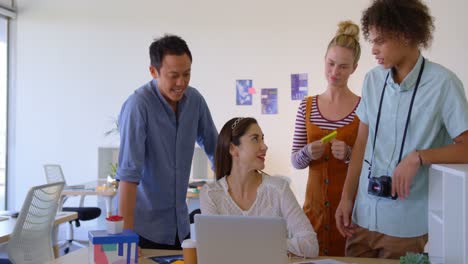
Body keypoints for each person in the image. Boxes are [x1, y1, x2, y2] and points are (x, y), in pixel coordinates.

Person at [335, 0, 468, 259]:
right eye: (371, 40)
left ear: (407, 34)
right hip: (361, 219)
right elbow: (362, 144)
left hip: (406, 226)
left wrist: (418, 157)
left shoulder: (444, 84)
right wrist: (346, 198)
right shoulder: (372, 80)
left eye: (380, 41)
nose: (372, 50)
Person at [116, 34, 218, 250]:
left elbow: (216, 150)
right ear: (153, 71)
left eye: (187, 74)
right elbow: (128, 176)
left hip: (180, 228)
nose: (181, 83)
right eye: (173, 76)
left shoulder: (195, 101)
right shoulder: (138, 106)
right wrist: (125, 241)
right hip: (143, 229)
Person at [200, 117, 319, 258]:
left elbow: (311, 245)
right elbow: (214, 249)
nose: (264, 146)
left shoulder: (279, 189)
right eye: (255, 139)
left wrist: (251, 245)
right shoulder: (211, 194)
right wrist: (271, 246)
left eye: (262, 139)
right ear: (233, 148)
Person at [291, 20, 361, 256]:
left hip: (351, 215)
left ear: (354, 68)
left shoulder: (364, 109)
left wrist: (351, 156)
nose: (334, 72)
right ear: (324, 61)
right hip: (313, 213)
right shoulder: (306, 106)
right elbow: (295, 161)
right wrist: (307, 153)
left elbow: (370, 165)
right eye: (331, 64)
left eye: (343, 66)